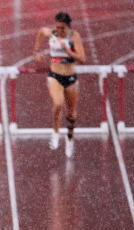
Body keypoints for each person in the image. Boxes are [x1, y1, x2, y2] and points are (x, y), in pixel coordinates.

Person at [33, 11, 86, 157]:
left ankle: (69, 140)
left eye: (63, 28)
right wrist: (36, 52)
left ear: (68, 27)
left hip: (70, 78)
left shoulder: (74, 37)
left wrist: (68, 50)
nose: (60, 31)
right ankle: (55, 133)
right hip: (55, 76)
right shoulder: (52, 33)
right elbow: (41, 32)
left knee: (71, 112)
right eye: (58, 27)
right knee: (58, 103)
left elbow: (82, 59)